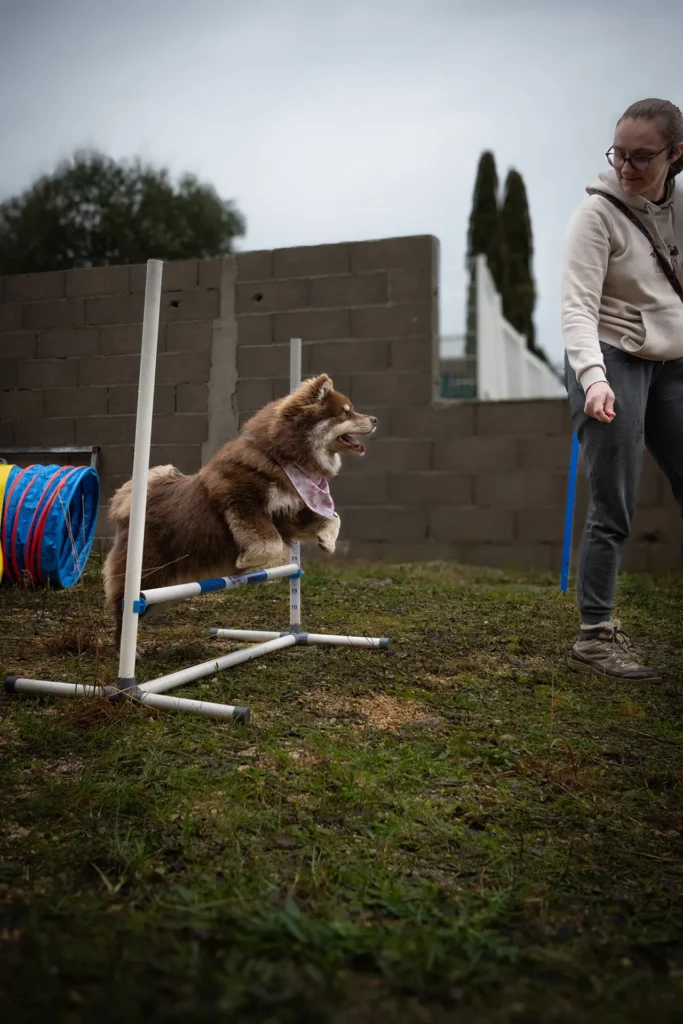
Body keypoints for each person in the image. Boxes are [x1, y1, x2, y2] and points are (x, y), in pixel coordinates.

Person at [562, 98, 683, 682]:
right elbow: (577, 307)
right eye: (619, 155)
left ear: (676, 153)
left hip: (672, 361)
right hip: (610, 360)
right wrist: (593, 378)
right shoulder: (597, 215)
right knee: (615, 501)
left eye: (642, 157)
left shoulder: (681, 209)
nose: (627, 167)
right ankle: (596, 634)